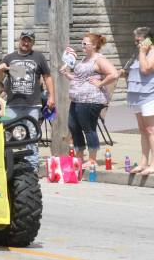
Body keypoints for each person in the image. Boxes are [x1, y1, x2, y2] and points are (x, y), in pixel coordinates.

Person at [0, 30, 55, 171]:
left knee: (32, 135)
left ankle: (33, 167)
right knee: (6, 135)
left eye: (29, 40)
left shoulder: (38, 57)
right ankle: (6, 164)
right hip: (13, 104)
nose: (26, 43)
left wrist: (51, 96)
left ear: (33, 42)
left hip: (32, 104)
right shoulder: (9, 57)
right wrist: (0, 70)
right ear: (20, 40)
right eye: (24, 39)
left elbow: (47, 77)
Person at [60, 33, 118, 168]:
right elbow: (79, 78)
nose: (82, 46)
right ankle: (79, 158)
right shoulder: (85, 59)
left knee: (88, 128)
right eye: (82, 43)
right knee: (73, 126)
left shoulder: (99, 59)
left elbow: (114, 74)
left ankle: (92, 159)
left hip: (91, 100)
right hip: (77, 99)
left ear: (94, 45)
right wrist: (67, 74)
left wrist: (100, 83)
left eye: (85, 44)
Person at [121, 27, 154, 175]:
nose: (136, 44)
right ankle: (143, 161)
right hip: (136, 96)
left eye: (139, 40)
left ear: (148, 39)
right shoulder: (137, 54)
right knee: (142, 130)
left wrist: (142, 52)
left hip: (149, 95)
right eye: (135, 41)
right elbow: (137, 72)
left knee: (151, 130)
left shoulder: (152, 52)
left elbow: (146, 69)